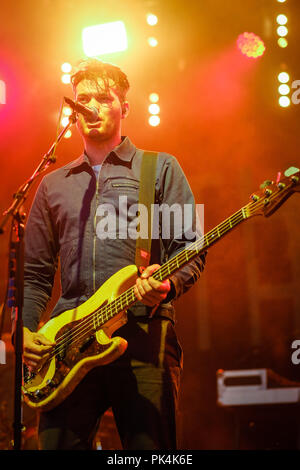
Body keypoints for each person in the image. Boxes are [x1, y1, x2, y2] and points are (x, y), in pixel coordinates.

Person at [21, 59, 206, 450]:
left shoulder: (160, 168)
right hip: (65, 343)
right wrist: (24, 330)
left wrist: (167, 285)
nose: (92, 106)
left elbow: (190, 248)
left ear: (125, 108)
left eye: (104, 98)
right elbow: (35, 274)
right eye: (83, 99)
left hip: (143, 333)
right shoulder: (53, 185)